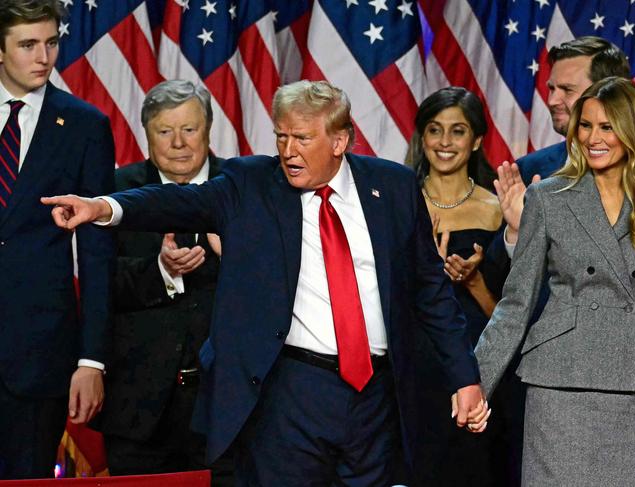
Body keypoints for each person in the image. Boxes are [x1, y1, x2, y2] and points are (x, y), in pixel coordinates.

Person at [42, 80, 488, 485]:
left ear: (340, 140)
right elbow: (177, 201)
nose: (288, 150)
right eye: (281, 136)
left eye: (302, 138)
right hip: (290, 392)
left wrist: (464, 378)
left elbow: (430, 293)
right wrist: (103, 208)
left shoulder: (391, 187)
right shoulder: (252, 183)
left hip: (377, 397)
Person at [471, 76, 635, 485]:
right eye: (585, 126)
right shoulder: (549, 197)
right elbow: (515, 304)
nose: (593, 138)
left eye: (607, 127)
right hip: (562, 384)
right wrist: (475, 382)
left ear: (631, 129)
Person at [95, 80, 232, 484]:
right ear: (147, 134)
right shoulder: (114, 192)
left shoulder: (245, 189)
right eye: (164, 131)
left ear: (208, 128)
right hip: (138, 407)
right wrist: (161, 272)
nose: (178, 143)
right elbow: (96, 284)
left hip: (225, 404)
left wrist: (234, 253)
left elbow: (279, 285)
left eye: (189, 129)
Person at [0, 0, 115, 479]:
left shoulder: (86, 126)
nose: (43, 57)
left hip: (36, 358)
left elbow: (97, 253)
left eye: (50, 42)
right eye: (28, 45)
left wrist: (92, 359)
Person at [408, 87, 507, 486]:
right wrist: (423, 267)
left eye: (458, 131)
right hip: (412, 368)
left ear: (478, 139)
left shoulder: (499, 209)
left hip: (478, 367)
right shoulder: (400, 203)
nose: (445, 143)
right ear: (421, 138)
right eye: (435, 130)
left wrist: (474, 280)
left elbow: (512, 314)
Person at [516, 36, 630, 185]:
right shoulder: (528, 170)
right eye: (552, 88)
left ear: (606, 92)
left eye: (567, 90)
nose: (552, 101)